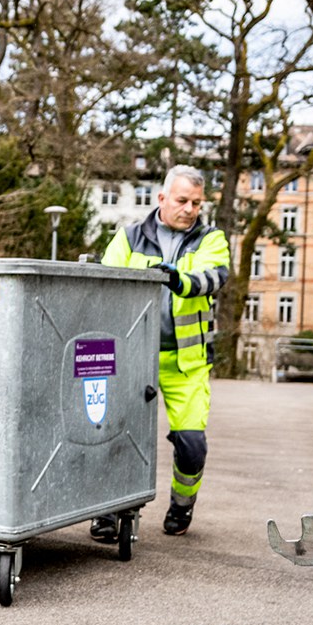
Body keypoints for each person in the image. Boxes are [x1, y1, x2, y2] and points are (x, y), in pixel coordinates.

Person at [93, 165, 229, 538]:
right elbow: (105, 284)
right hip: (133, 359)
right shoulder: (129, 237)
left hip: (186, 363)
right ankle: (106, 512)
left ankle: (181, 505)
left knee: (191, 445)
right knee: (113, 435)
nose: (189, 209)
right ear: (162, 198)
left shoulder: (210, 239)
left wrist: (178, 280)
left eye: (196, 203)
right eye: (182, 200)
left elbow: (212, 278)